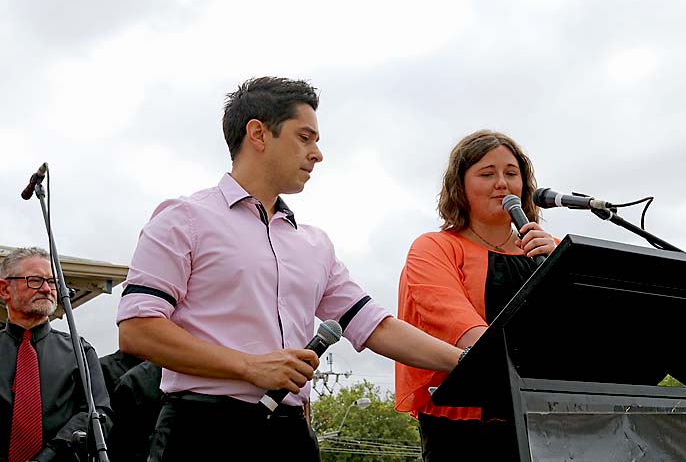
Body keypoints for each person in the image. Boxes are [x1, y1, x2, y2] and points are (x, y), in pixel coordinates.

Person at [116, 76, 463, 461]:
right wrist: (249, 366)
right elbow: (137, 329)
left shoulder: (315, 244)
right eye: (305, 137)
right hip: (201, 430)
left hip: (292, 434)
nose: (317, 154)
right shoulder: (183, 219)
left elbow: (374, 325)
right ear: (258, 134)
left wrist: (467, 362)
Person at [395, 130, 558, 461]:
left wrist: (560, 263)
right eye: (487, 174)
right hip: (465, 426)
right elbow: (457, 325)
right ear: (460, 186)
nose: (502, 183)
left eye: (511, 173)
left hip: (547, 418)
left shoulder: (548, 250)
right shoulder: (435, 248)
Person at [0, 247, 112, 462]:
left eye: (52, 282)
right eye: (35, 280)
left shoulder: (80, 351)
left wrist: (49, 455)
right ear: (5, 289)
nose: (46, 289)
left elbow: (98, 412)